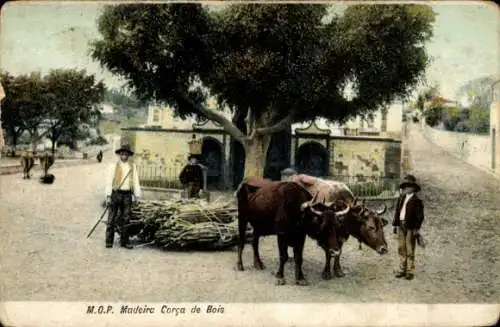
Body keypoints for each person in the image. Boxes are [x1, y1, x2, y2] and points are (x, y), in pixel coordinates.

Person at [104, 144, 142, 249]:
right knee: (111, 218)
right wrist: (108, 196)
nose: (124, 156)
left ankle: (124, 242)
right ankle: (108, 241)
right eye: (122, 154)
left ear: (129, 155)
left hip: (127, 195)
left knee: (126, 218)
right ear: (119, 154)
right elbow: (109, 181)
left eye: (126, 154)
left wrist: (137, 196)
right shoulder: (113, 166)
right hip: (116, 194)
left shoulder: (132, 166)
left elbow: (136, 181)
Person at [392, 174, 425, 280]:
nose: (406, 188)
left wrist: (416, 228)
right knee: (401, 248)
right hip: (401, 226)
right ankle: (402, 269)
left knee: (410, 248)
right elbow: (397, 212)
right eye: (405, 186)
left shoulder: (417, 201)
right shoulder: (401, 198)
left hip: (410, 227)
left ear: (414, 188)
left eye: (409, 186)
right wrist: (396, 225)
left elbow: (420, 217)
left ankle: (410, 270)